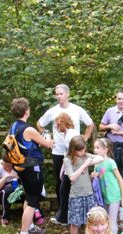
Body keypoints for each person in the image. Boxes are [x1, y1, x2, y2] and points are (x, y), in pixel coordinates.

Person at [37, 84, 94, 224]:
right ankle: (63, 211)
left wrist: (84, 139)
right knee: (61, 182)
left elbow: (90, 124)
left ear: (68, 94)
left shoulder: (77, 110)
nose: (58, 96)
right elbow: (39, 123)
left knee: (73, 182)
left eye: (61, 93)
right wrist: (46, 135)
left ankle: (71, 214)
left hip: (74, 153)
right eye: (56, 94)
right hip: (59, 152)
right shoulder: (52, 111)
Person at [10, 97, 55, 234]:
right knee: (32, 201)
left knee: (29, 198)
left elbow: (28, 144)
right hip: (32, 168)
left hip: (21, 167)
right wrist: (47, 136)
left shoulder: (14, 126)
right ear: (26, 111)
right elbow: (48, 144)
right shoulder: (28, 129)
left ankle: (29, 226)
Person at [60, 136, 101, 234]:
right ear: (73, 149)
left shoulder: (85, 156)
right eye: (79, 150)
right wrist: (84, 166)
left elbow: (101, 158)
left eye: (83, 149)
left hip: (88, 194)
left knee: (91, 219)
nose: (82, 152)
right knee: (75, 221)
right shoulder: (67, 160)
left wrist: (88, 161)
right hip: (76, 195)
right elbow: (72, 177)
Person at [92, 137, 123, 234]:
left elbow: (120, 179)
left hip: (114, 194)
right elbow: (97, 177)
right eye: (94, 148)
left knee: (112, 220)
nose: (95, 150)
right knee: (105, 219)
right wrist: (93, 175)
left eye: (98, 148)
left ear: (105, 150)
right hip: (104, 195)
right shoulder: (96, 163)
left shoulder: (111, 162)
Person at [50, 112, 79, 226]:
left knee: (64, 191)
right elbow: (67, 153)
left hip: (73, 168)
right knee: (64, 191)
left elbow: (75, 151)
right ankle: (64, 216)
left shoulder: (72, 134)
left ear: (63, 123)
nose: (57, 127)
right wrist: (63, 167)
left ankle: (64, 218)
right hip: (68, 167)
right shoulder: (67, 134)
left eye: (58, 125)